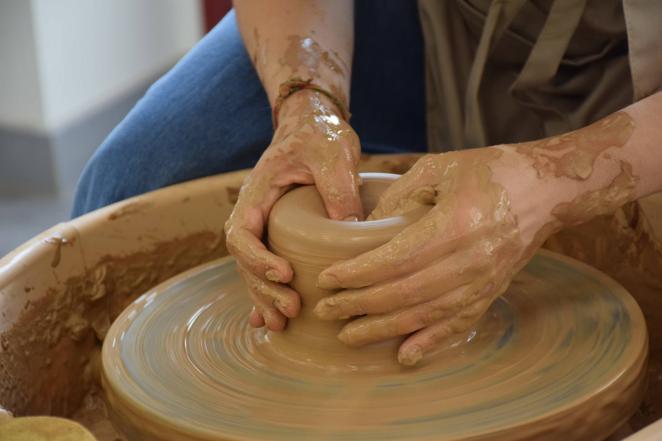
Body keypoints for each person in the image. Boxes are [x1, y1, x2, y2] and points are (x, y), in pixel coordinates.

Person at [72, 0, 662, 366]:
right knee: (142, 177)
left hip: (638, 60)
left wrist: (556, 179)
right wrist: (307, 101)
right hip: (434, 17)